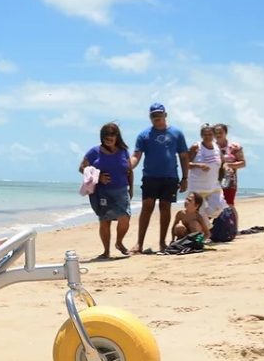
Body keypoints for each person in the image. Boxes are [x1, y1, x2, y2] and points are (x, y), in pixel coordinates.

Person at [129, 103, 189, 253]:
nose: (157, 117)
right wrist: (128, 166)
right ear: (150, 117)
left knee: (165, 208)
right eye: (153, 115)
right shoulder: (144, 135)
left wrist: (185, 177)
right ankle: (139, 243)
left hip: (170, 177)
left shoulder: (177, 133)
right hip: (150, 176)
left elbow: (183, 156)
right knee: (147, 207)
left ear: (165, 115)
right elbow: (136, 155)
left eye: (159, 114)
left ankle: (162, 242)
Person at [79, 122, 133, 259]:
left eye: (111, 138)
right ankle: (106, 251)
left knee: (125, 218)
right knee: (105, 220)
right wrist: (98, 176)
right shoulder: (94, 152)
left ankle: (119, 242)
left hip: (121, 190)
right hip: (102, 191)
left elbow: (129, 171)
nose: (108, 141)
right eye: (105, 138)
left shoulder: (123, 151)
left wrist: (131, 188)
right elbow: (82, 168)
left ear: (117, 137)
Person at [187, 124, 227, 219]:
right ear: (201, 135)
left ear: (213, 135)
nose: (208, 137)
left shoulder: (217, 148)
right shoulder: (196, 147)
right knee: (198, 216)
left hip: (213, 187)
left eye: (210, 134)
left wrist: (226, 169)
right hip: (197, 187)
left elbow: (222, 164)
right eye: (205, 134)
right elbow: (186, 164)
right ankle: (203, 229)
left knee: (219, 208)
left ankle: (206, 219)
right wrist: (198, 165)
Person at [213, 123, 246, 225]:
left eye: (220, 132)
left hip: (229, 179)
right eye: (216, 133)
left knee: (229, 204)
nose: (218, 135)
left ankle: (234, 227)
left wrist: (229, 165)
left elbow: (243, 163)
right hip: (213, 180)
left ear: (225, 133)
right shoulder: (211, 147)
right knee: (214, 204)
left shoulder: (234, 147)